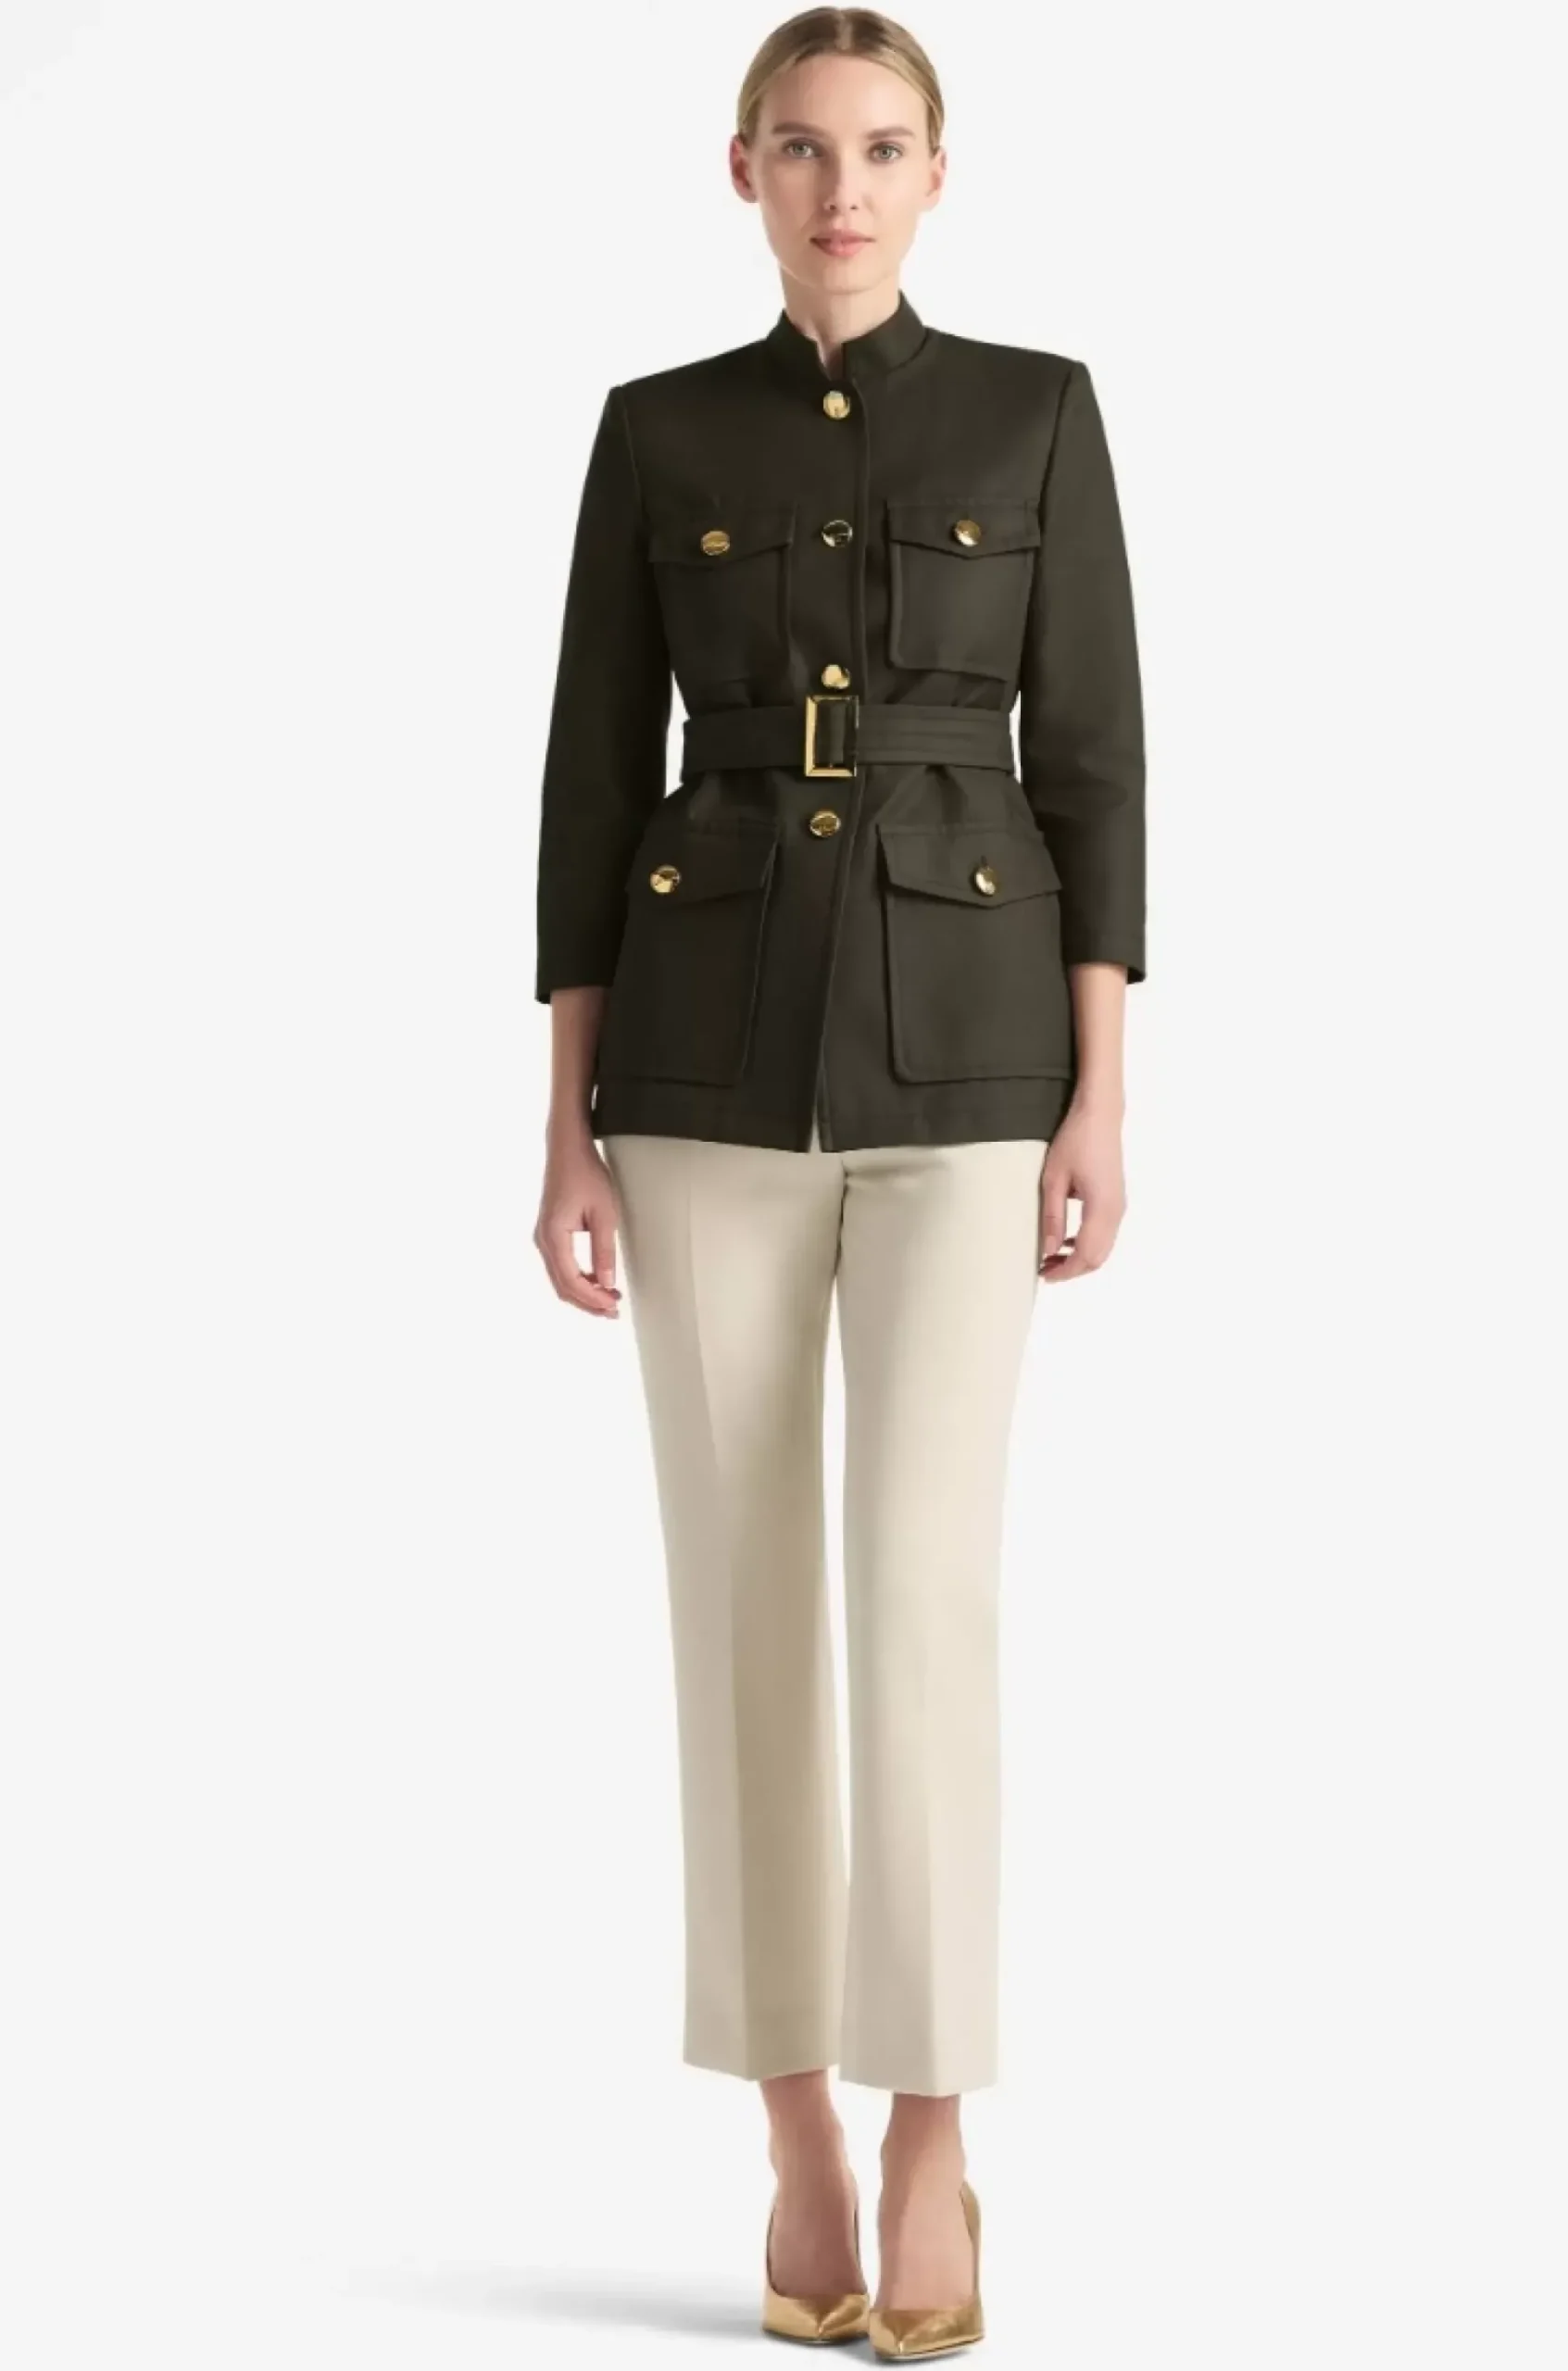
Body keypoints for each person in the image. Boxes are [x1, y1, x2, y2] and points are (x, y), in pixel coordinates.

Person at [530, 7, 1145, 2355]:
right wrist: (564, 1121)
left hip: (974, 1060)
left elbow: (1097, 765)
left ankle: (926, 2121)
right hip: (699, 1063)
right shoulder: (656, 430)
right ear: (743, 173)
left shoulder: (1037, 411)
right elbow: (591, 779)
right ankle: (790, 2112)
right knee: (740, 1596)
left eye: (883, 148)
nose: (843, 189)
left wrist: (1103, 1095)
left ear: (938, 174)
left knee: (920, 1592)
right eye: (801, 149)